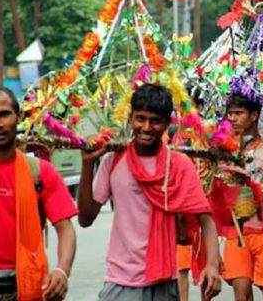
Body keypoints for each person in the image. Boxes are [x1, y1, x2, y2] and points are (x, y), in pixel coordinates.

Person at [77, 84, 221, 301]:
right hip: (120, 283)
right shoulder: (113, 161)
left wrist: (212, 265)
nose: (146, 127)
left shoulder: (179, 165)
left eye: (155, 121)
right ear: (130, 118)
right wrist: (87, 166)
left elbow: (206, 220)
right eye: (140, 118)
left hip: (165, 284)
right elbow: (85, 218)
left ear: (166, 123)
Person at [0, 86, 77, 301]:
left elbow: (65, 229)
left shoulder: (39, 172)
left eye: (4, 114)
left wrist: (62, 270)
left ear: (19, 117)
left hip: (30, 288)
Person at [223, 93, 263, 301]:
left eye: (239, 113)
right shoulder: (223, 148)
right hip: (237, 229)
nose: (232, 118)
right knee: (241, 294)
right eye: (230, 113)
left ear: (254, 115)